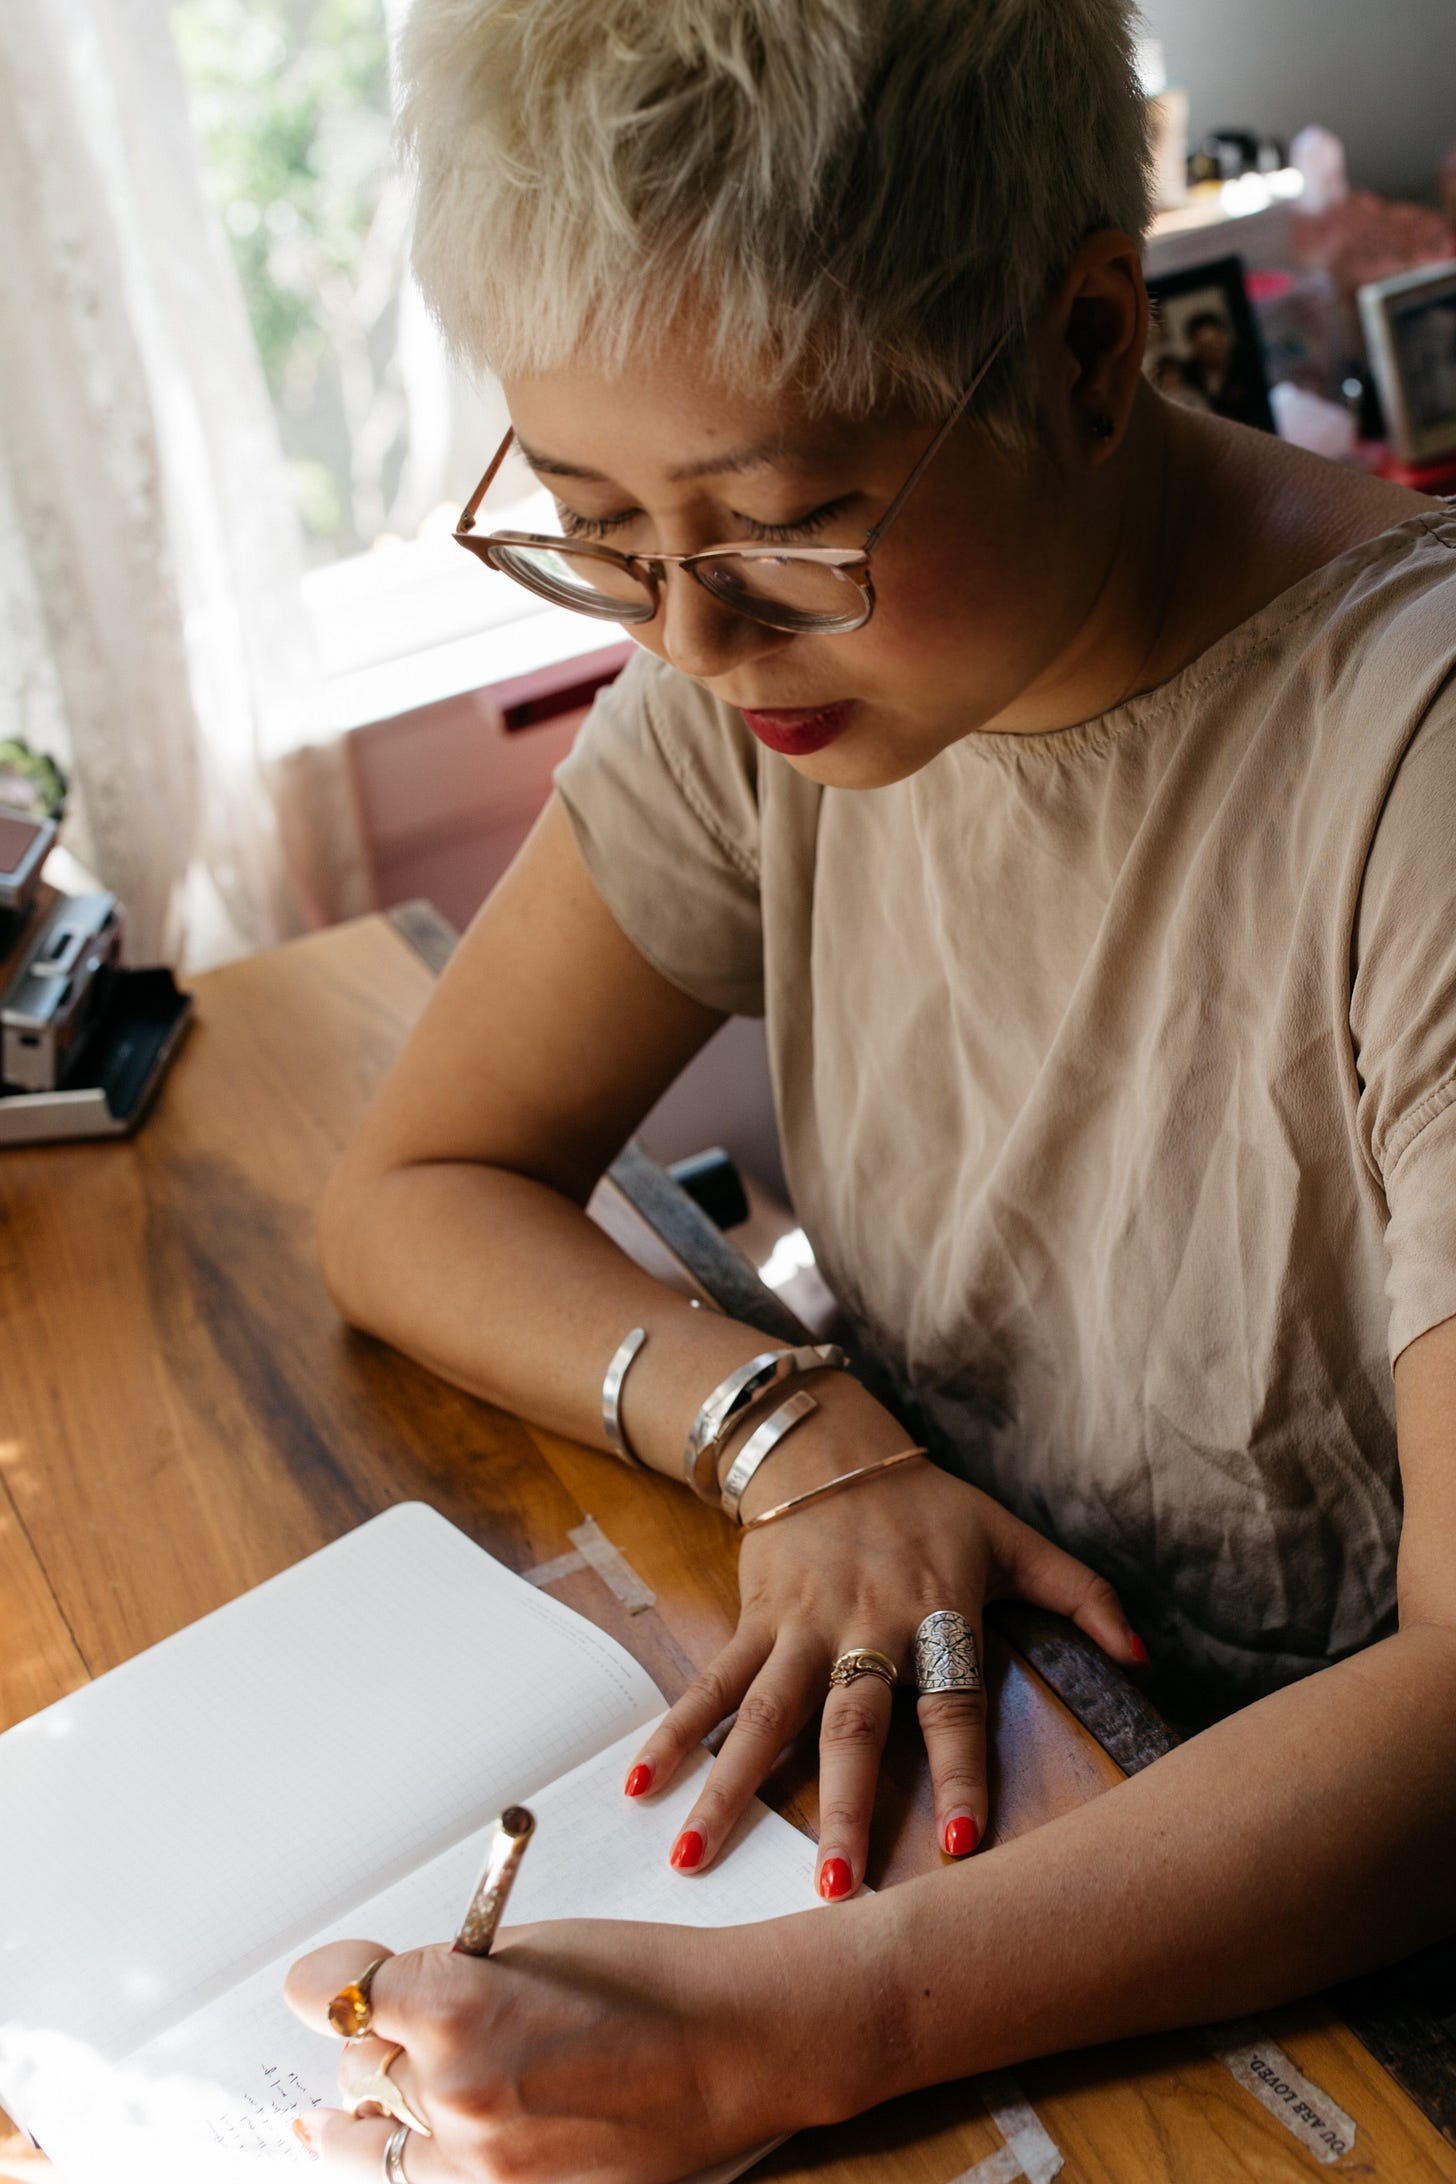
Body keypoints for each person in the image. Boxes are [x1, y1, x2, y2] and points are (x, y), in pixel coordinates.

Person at [284, 0, 1456, 2175]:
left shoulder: (1408, 762)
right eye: (597, 527)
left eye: (785, 524)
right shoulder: (749, 670)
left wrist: (805, 2031)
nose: (693, 641)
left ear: (1090, 347)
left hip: (1321, 1937)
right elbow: (413, 1186)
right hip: (981, 1741)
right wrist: (784, 1428)